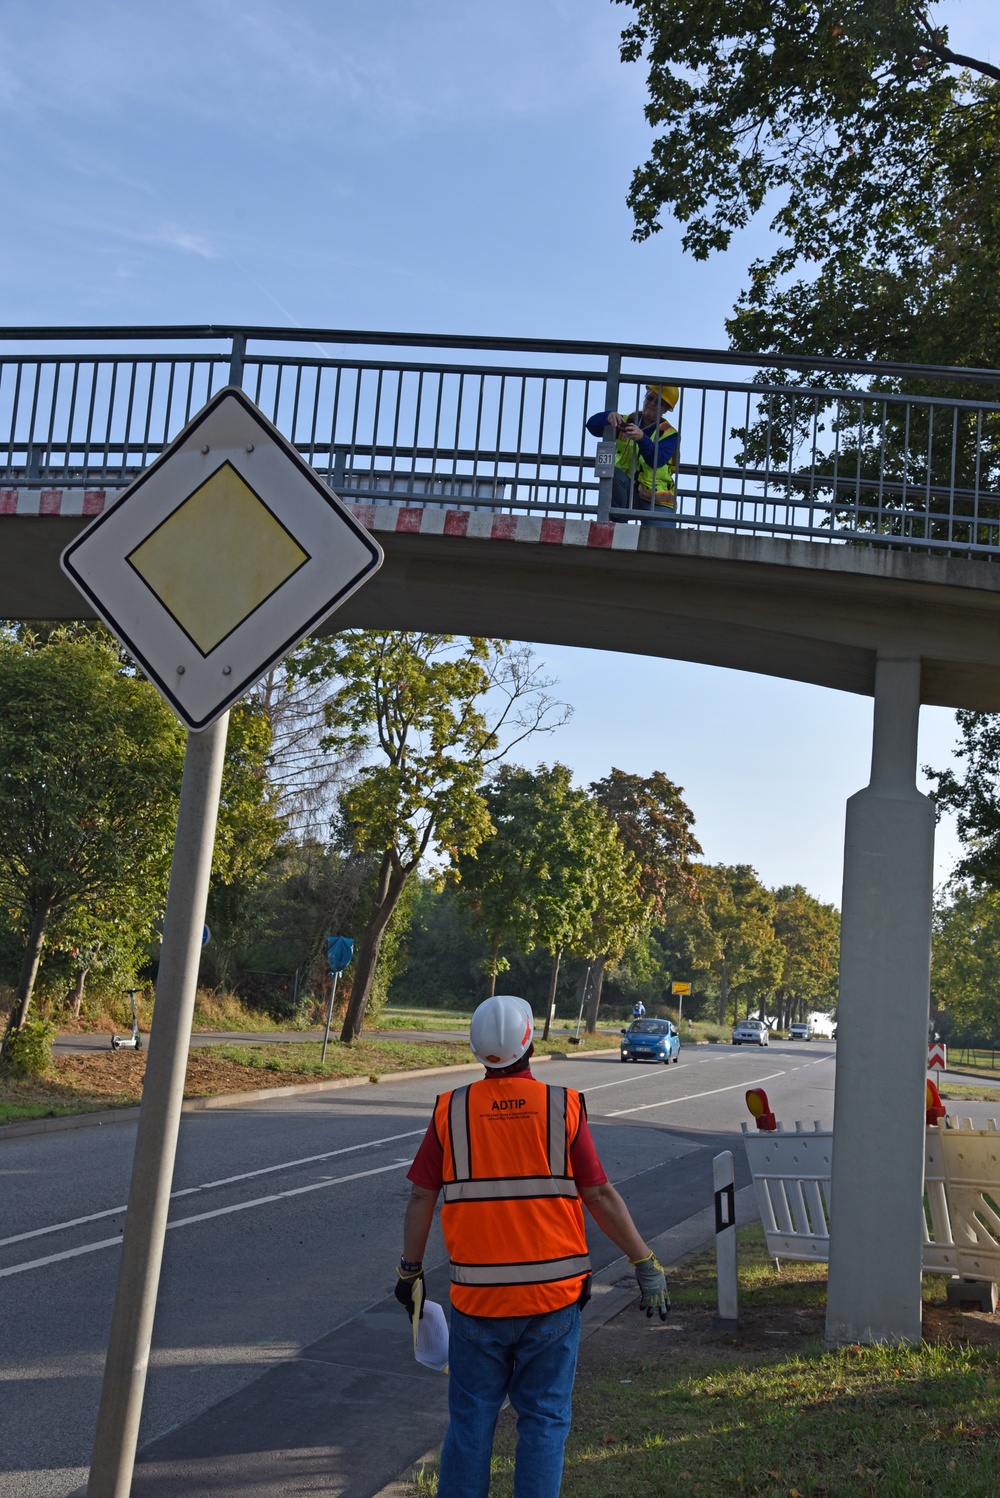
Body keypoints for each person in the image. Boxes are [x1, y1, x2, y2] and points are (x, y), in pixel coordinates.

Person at [394, 994, 669, 1498]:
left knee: (471, 1423)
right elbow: (600, 1194)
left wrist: (410, 1270)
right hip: (553, 1300)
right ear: (528, 1041)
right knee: (543, 1421)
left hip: (478, 1303)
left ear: (477, 1049)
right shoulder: (561, 1105)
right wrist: (642, 1259)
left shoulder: (450, 1110)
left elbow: (420, 1196)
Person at [586, 382, 679, 526]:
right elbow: (592, 426)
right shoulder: (625, 421)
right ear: (644, 398)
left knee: (663, 542)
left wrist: (642, 439)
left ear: (666, 409)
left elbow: (657, 461)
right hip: (628, 491)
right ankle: (620, 524)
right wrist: (608, 416)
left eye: (659, 402)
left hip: (656, 498)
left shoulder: (669, 433)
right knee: (613, 472)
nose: (652, 404)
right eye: (650, 398)